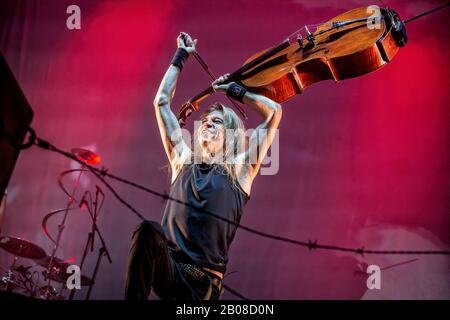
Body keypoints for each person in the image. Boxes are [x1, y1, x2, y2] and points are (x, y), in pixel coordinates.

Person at [124, 32, 282, 300]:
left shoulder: (241, 170)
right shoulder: (183, 161)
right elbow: (161, 102)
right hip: (171, 269)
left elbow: (274, 112)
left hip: (201, 286)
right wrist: (180, 55)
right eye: (207, 121)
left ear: (231, 135)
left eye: (218, 122)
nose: (208, 123)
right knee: (148, 232)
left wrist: (235, 91)